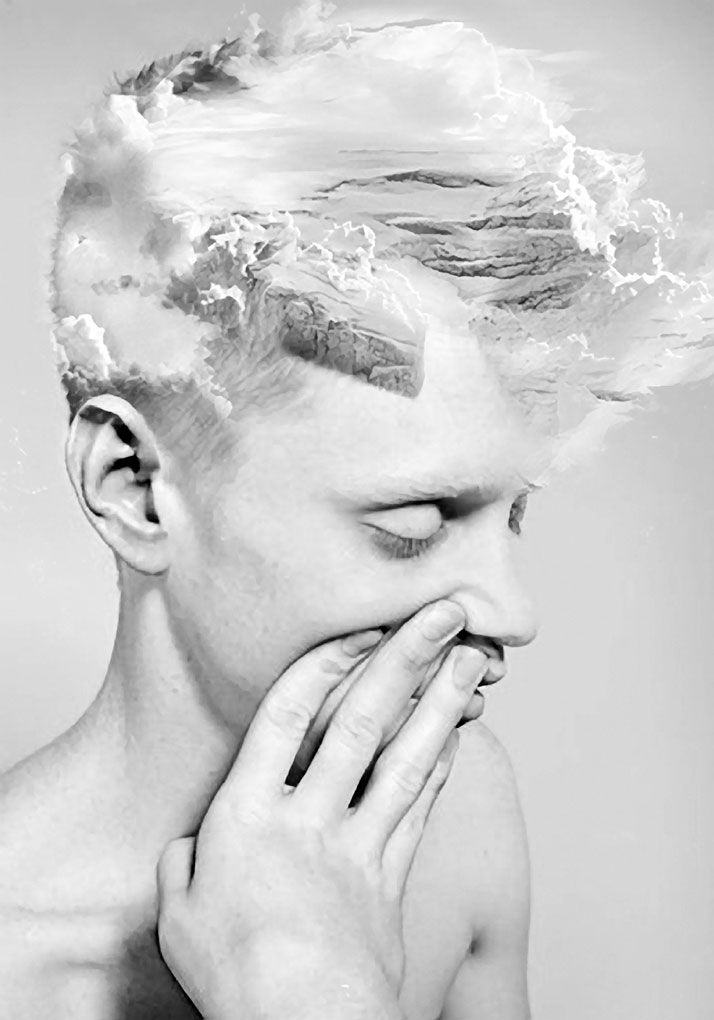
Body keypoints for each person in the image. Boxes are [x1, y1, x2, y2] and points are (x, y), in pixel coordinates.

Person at [1, 4, 712, 1019]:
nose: (514, 613)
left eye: (513, 515)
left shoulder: (454, 816)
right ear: (135, 488)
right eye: (413, 526)